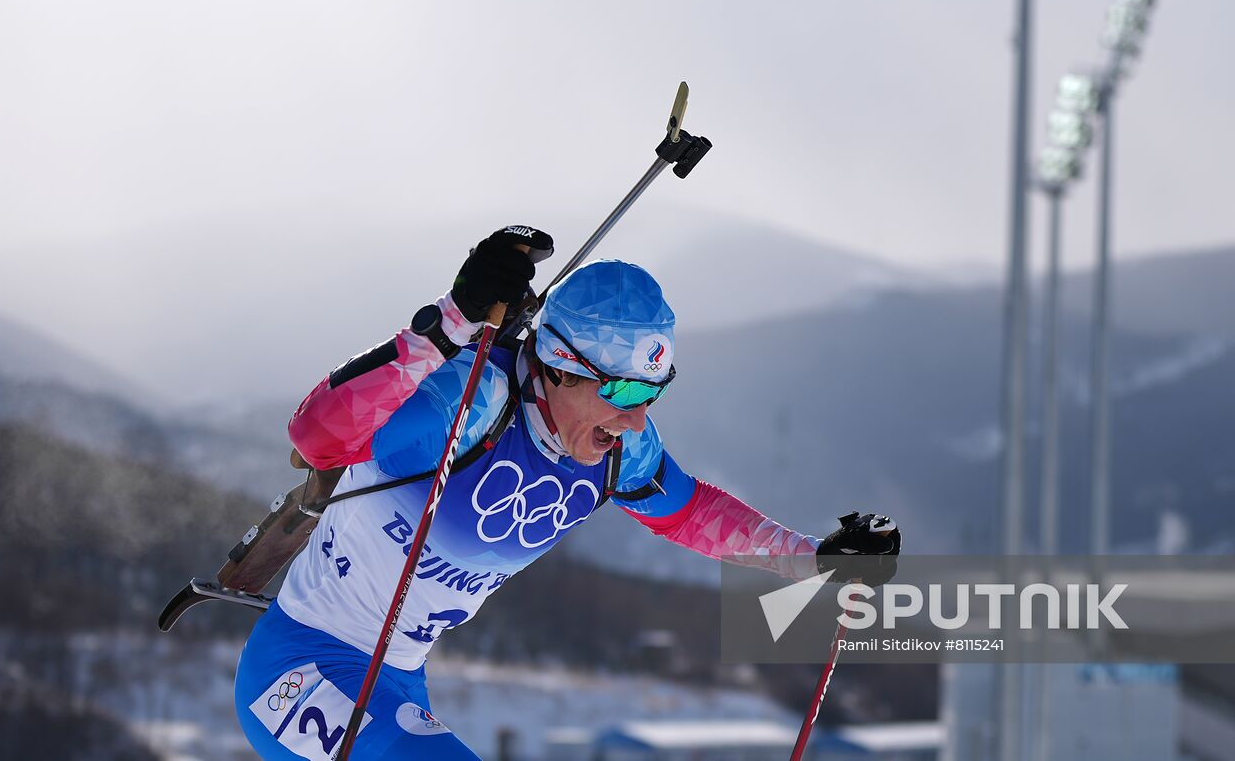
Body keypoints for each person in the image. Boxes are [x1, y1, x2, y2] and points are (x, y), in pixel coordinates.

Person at [233, 226, 899, 760]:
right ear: (558, 366)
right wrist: (448, 325)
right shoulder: (468, 401)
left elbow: (690, 511)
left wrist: (813, 559)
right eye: (625, 391)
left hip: (397, 680)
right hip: (302, 668)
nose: (638, 418)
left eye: (654, 391)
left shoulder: (617, 449)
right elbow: (315, 440)